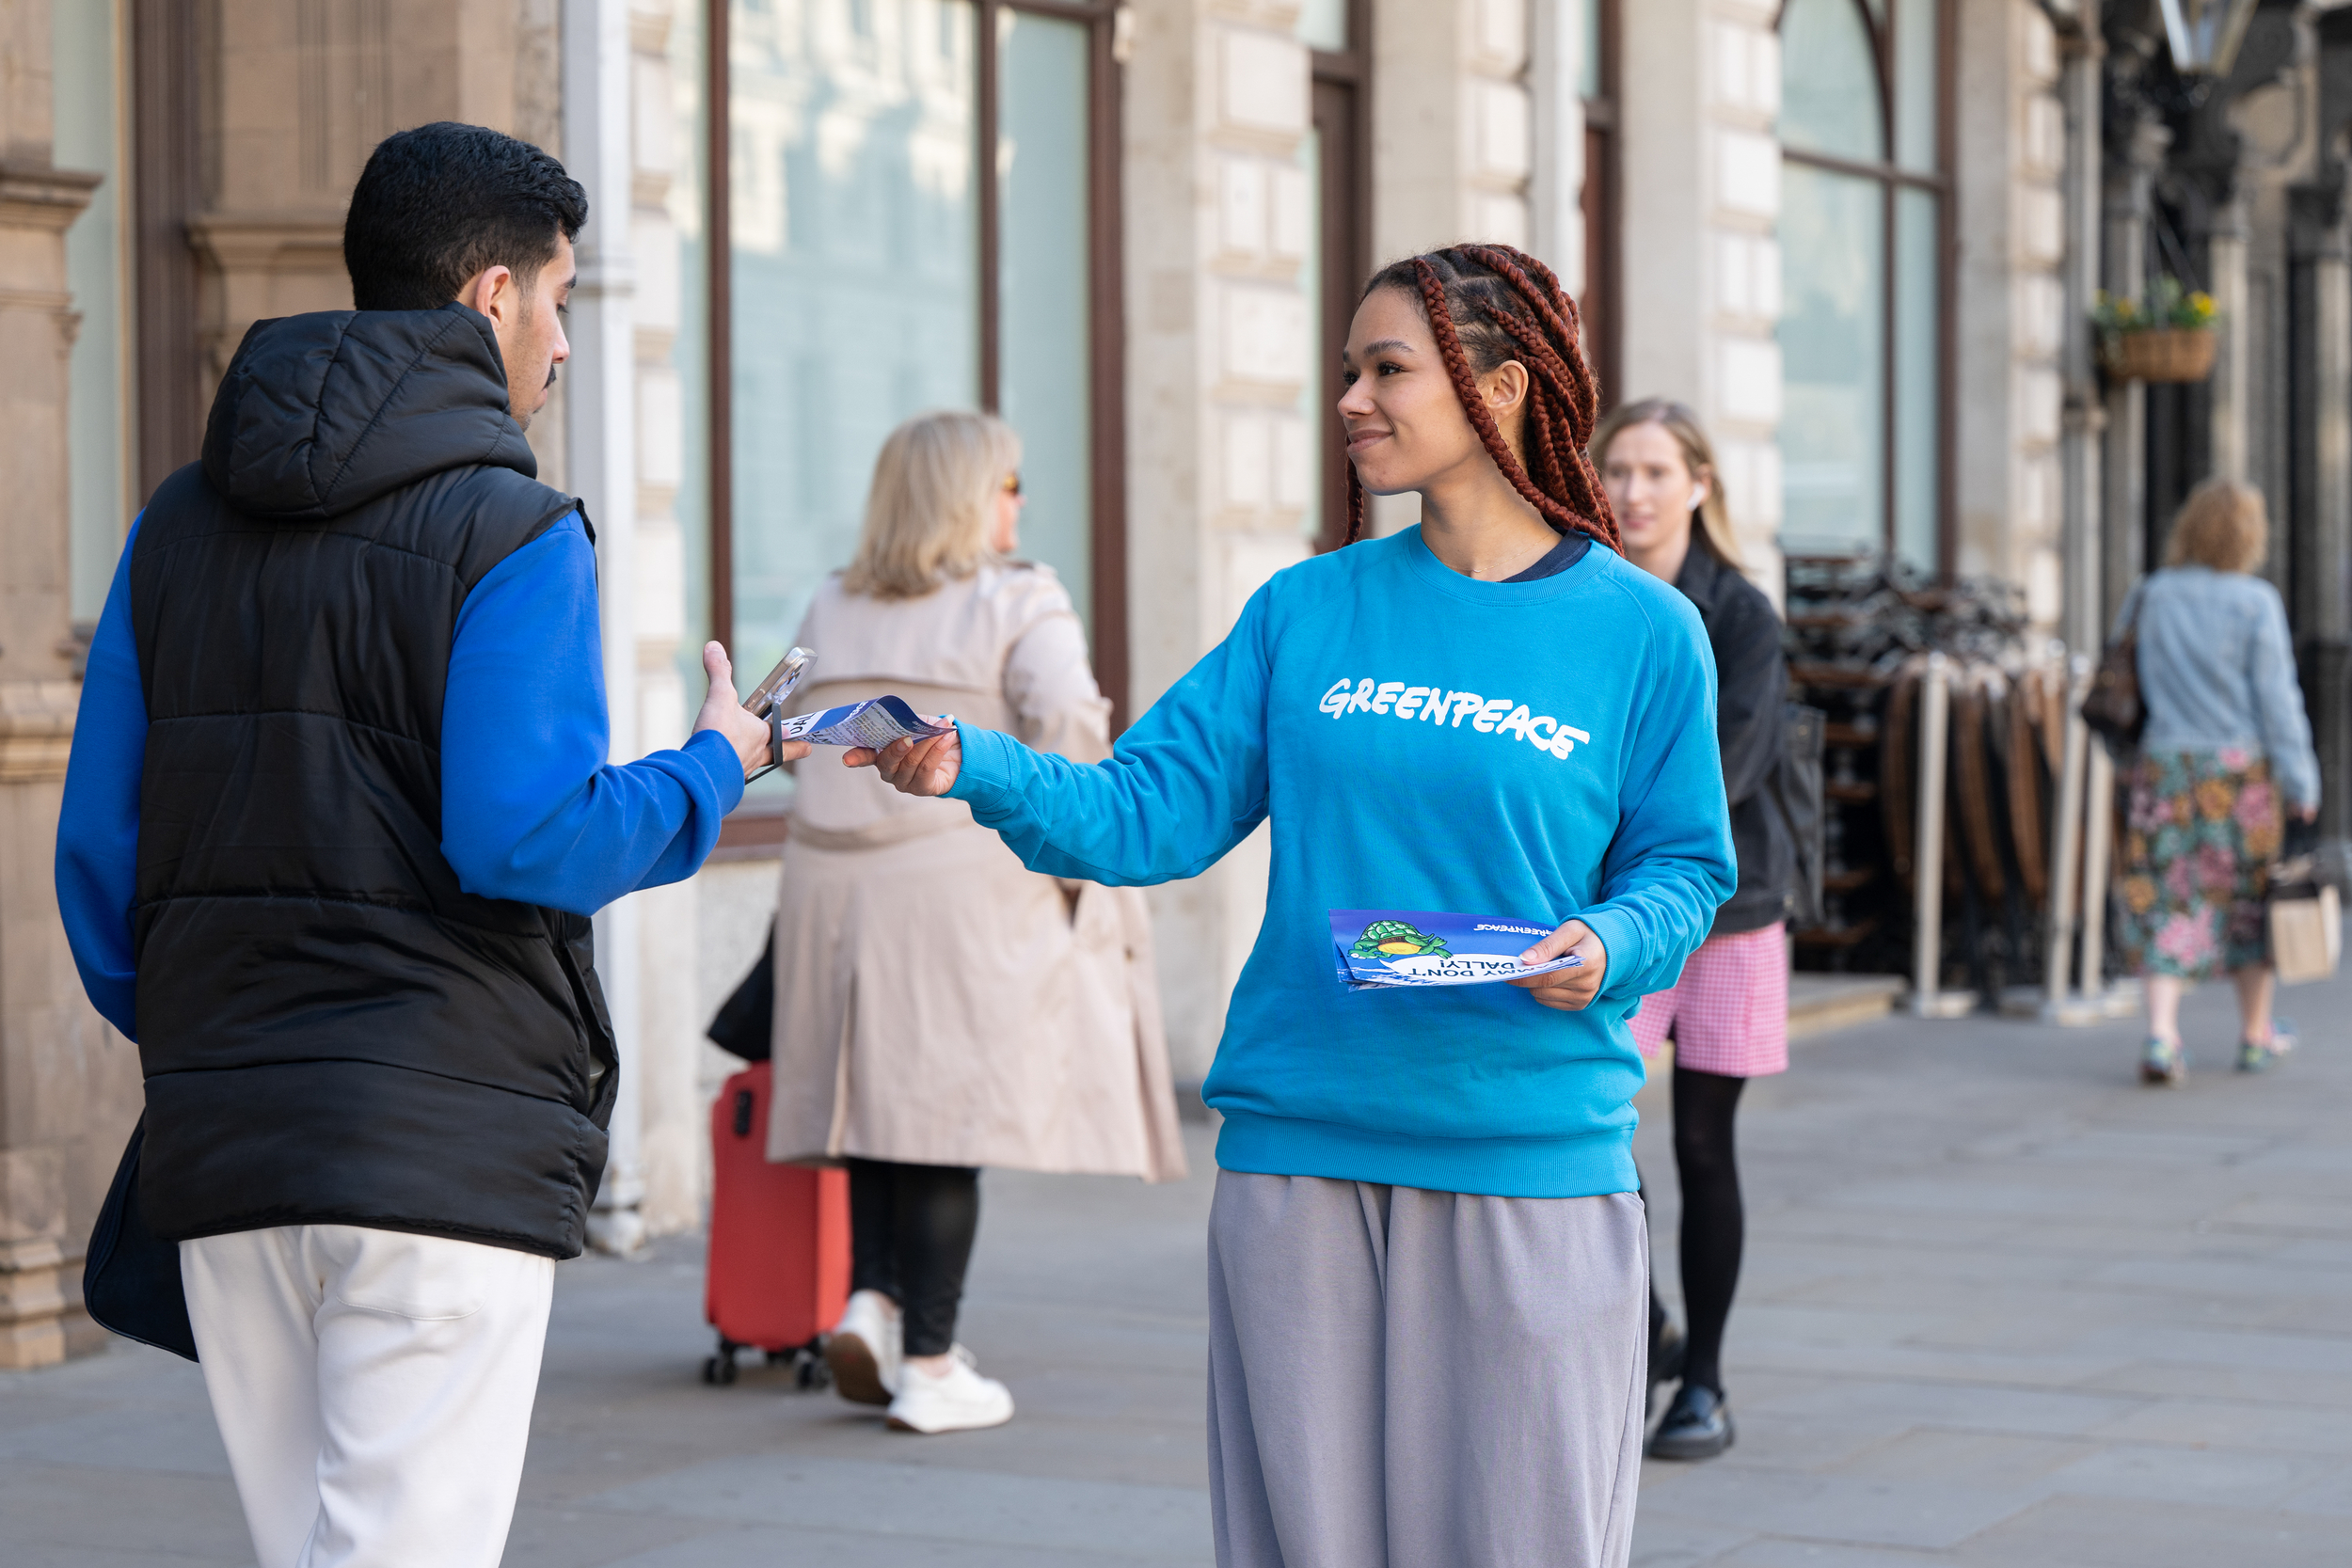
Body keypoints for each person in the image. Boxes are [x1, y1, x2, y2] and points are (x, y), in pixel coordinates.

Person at [839, 244, 1733, 1566]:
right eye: (1349, 370)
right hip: (1300, 1154)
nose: (1353, 399)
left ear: (1499, 383)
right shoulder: (1307, 610)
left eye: (1389, 369)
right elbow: (1149, 809)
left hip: (1526, 1152)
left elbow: (1687, 865)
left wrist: (1610, 940)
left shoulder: (1642, 631)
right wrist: (976, 763)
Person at [54, 123, 782, 1568]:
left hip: (231, 1140)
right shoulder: (512, 532)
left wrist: (223, 1028)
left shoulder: (170, 526)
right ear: (491, 297)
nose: (568, 342)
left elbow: (96, 857)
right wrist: (717, 764)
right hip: (436, 1148)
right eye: (562, 298)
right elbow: (532, 836)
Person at [765, 409, 1186, 1435]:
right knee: (945, 1122)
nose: (1021, 504)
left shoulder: (834, 594)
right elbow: (1069, 724)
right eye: (1007, 485)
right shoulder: (1016, 597)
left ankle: (873, 1295)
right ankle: (931, 1360)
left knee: (873, 1106)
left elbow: (782, 720)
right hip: (955, 884)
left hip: (829, 885)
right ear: (966, 496)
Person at [1594, 398, 1791, 1462]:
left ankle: (1702, 1379)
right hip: (1606, 917)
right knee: (1591, 1128)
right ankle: (1648, 1326)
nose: (1631, 491)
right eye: (1616, 469)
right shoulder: (1588, 600)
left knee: (1703, 1147)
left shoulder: (1740, 613)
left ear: (1699, 484)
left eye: (1655, 471)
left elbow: (1734, 765)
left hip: (1728, 910)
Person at [2116, 478, 2320, 1084]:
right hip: (2238, 776)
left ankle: (2160, 1035)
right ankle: (2255, 1035)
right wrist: (2301, 779)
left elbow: (2120, 677)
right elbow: (2278, 702)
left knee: (2165, 896)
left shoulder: (2151, 593)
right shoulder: (2255, 602)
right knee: (2250, 903)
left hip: (2166, 770)